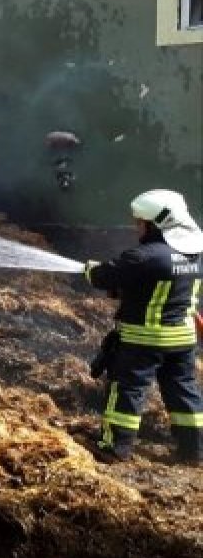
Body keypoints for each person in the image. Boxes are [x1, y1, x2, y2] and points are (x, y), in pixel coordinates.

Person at [83, 189, 203, 464]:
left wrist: (91, 270)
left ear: (154, 224)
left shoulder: (145, 256)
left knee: (127, 390)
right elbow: (163, 287)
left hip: (143, 341)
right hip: (183, 339)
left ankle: (114, 447)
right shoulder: (197, 253)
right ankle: (194, 452)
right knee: (184, 392)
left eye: (140, 223)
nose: (137, 228)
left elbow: (103, 276)